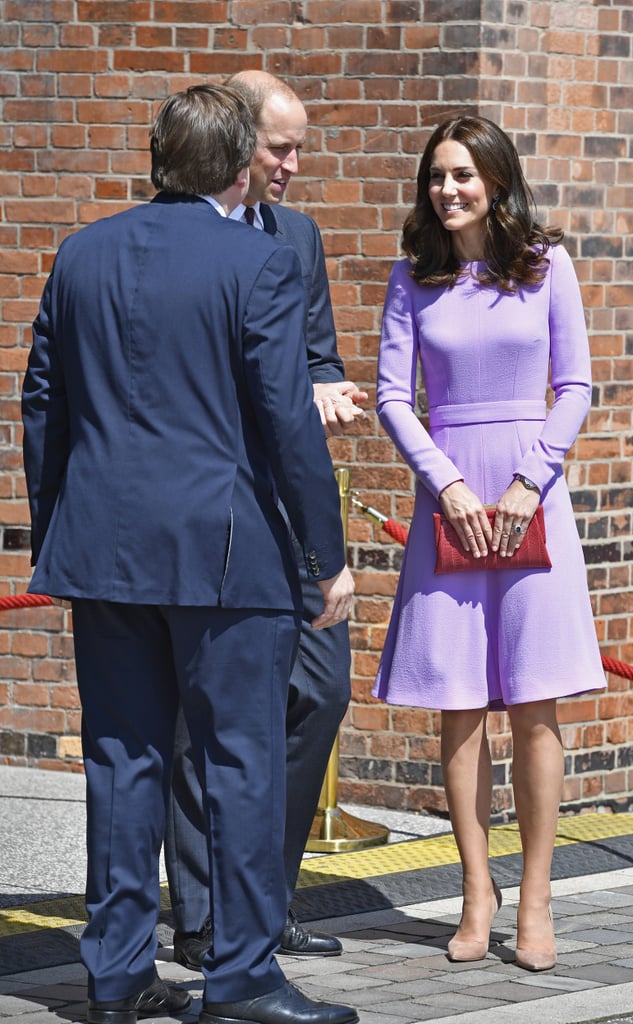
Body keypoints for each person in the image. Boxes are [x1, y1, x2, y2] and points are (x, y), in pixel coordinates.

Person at [22, 84, 358, 1024]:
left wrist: (57, 523)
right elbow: (288, 421)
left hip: (102, 548)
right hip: (225, 555)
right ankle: (243, 975)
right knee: (240, 762)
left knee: (121, 761)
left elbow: (42, 400)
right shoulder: (255, 261)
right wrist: (323, 557)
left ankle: (118, 972)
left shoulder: (80, 251)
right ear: (240, 159)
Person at [372, 114, 605, 973]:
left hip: (530, 499)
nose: (448, 189)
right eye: (437, 175)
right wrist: (452, 485)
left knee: (535, 706)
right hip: (451, 503)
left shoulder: (547, 268)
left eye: (464, 174)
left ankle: (536, 897)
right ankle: (477, 890)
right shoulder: (411, 278)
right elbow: (394, 398)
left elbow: (574, 385)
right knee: (459, 708)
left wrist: (524, 482)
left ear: (497, 182)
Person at [165, 70, 366, 971]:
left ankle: (264, 905)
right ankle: (205, 919)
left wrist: (325, 388)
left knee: (318, 693)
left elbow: (314, 355)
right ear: (236, 144)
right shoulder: (166, 235)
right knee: (198, 724)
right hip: (209, 521)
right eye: (279, 148)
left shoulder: (298, 238)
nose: (292, 166)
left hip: (288, 520)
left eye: (298, 150)